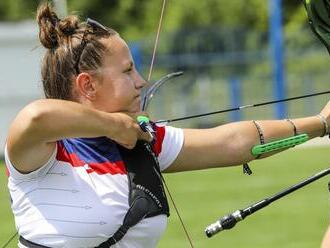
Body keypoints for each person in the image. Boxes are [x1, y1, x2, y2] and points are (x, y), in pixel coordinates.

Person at [4, 2, 330, 248]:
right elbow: (36, 117)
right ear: (88, 86)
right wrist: (113, 126)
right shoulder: (43, 154)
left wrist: (321, 122)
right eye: (128, 71)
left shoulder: (141, 140)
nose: (141, 82)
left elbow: (233, 142)